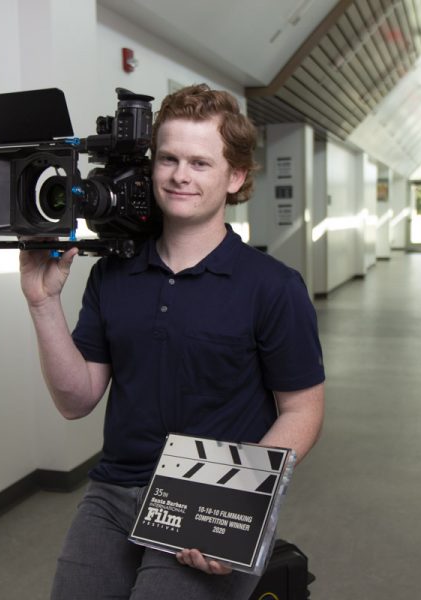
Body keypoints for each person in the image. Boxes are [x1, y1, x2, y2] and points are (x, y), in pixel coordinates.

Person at [19, 83, 325, 600]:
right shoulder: (113, 274)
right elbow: (77, 401)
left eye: (200, 163)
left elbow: (303, 411)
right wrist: (42, 303)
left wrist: (239, 505)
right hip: (115, 490)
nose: (180, 175)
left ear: (236, 177)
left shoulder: (272, 286)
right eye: (168, 159)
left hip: (212, 491)